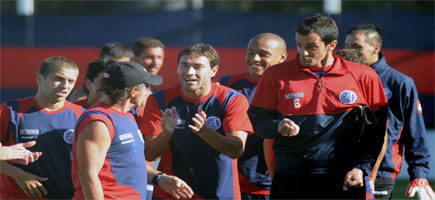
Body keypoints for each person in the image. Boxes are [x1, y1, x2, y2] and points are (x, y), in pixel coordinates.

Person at [248, 14, 389, 199]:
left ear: (331, 45)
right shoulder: (275, 75)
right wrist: (277, 127)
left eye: (311, 47)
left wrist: (361, 167)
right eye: (299, 45)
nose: (303, 52)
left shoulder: (363, 75)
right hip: (291, 176)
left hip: (344, 177)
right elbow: (257, 119)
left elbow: (377, 130)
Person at [138, 43, 253, 199]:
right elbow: (150, 154)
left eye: (198, 67)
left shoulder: (231, 99)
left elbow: (236, 149)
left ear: (213, 71)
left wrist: (204, 131)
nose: (189, 72)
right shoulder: (159, 100)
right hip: (173, 194)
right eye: (184, 65)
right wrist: (166, 134)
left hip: (220, 194)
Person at [71, 61, 193, 199]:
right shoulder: (98, 121)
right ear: (134, 91)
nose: (148, 91)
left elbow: (129, 165)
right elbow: (88, 175)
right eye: (146, 87)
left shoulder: (127, 116)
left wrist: (160, 178)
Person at [345, 24, 434, 200]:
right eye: (347, 46)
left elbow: (414, 132)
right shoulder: (340, 79)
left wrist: (420, 173)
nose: (350, 52)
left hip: (381, 172)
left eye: (356, 47)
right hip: (340, 169)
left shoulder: (399, 83)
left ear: (376, 48)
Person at [0, 56, 83, 199]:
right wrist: (19, 174)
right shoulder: (11, 111)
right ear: (39, 79)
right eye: (58, 78)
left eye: (71, 81)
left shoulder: (81, 115)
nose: (65, 85)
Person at [218, 33, 287, 199]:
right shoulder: (227, 85)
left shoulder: (292, 88)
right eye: (250, 53)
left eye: (263, 54)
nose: (255, 58)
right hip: (232, 183)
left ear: (282, 57)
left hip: (277, 183)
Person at [70, 41, 134, 103]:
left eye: (122, 66)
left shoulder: (135, 93)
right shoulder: (81, 95)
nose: (117, 71)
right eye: (111, 65)